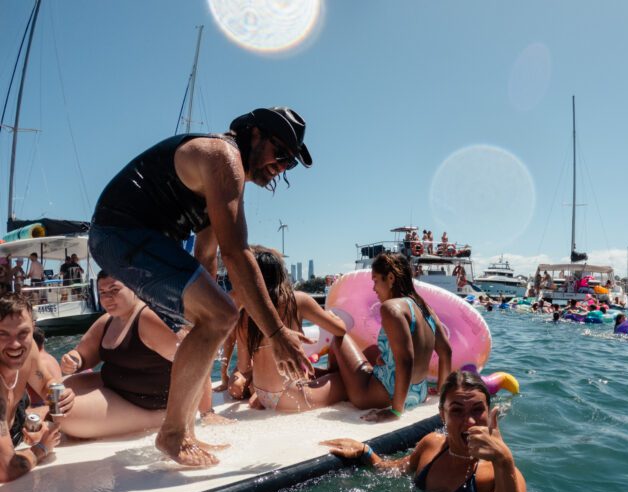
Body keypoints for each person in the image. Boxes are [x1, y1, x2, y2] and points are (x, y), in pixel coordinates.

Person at [88, 106, 314, 466]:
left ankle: (184, 429)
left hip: (131, 239)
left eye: (289, 164)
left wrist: (202, 317)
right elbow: (237, 255)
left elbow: (207, 256)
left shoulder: (223, 179)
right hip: (119, 233)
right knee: (221, 315)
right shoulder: (223, 157)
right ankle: (173, 434)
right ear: (254, 134)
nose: (282, 167)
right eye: (281, 153)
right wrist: (276, 333)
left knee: (215, 317)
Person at [322, 370, 527, 492]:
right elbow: (392, 470)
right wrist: (365, 451)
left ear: (489, 412)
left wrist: (504, 461)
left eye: (478, 409)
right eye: (456, 410)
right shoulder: (431, 445)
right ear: (442, 415)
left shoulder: (499, 473)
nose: (470, 421)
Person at [326, 252, 451, 422]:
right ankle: (336, 379)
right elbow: (446, 352)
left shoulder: (391, 308)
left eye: (376, 280)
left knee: (339, 337)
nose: (374, 288)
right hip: (418, 393)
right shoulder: (426, 309)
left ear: (390, 278)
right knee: (372, 351)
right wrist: (441, 394)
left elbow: (406, 360)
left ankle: (331, 380)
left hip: (381, 395)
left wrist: (396, 411)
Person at [59, 272, 182, 439]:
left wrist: (206, 411)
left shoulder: (149, 318)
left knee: (66, 415)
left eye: (114, 290)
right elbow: (83, 353)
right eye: (102, 292)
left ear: (134, 288)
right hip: (116, 387)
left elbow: (192, 361)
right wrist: (73, 360)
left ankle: (161, 418)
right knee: (61, 388)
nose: (107, 298)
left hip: (146, 403)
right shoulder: (107, 320)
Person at [234, 246, 347, 412]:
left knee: (318, 372)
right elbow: (340, 330)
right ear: (281, 273)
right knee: (348, 380)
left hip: (263, 394)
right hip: (292, 395)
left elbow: (243, 368)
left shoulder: (245, 311)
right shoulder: (296, 300)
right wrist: (335, 317)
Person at [0, 293, 74, 483]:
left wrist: (60, 395)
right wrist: (41, 449)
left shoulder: (30, 347)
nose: (15, 344)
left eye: (23, 333)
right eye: (2, 334)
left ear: (33, 328)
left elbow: (44, 383)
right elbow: (6, 469)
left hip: (13, 432)